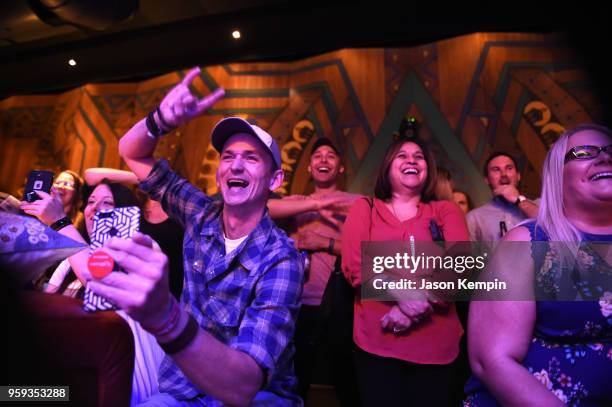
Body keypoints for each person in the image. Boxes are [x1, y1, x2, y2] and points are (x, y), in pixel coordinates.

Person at [90, 67, 303, 406]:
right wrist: (159, 120)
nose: (235, 166)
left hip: (256, 397)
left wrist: (167, 318)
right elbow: (131, 152)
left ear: (275, 180)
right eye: (228, 157)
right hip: (182, 388)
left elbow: (242, 386)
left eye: (251, 158)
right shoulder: (199, 213)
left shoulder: (281, 258)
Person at [465, 123, 612, 406]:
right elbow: (491, 358)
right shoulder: (523, 237)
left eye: (609, 150)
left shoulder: (527, 204)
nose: (604, 157)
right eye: (584, 152)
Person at [341, 135, 469, 406]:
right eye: (402, 155)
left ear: (428, 169)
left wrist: (408, 308)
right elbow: (355, 266)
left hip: (437, 347)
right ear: (387, 166)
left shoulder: (446, 210)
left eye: (419, 156)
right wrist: (404, 293)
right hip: (376, 345)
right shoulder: (366, 208)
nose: (411, 159)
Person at [21, 179, 166, 405]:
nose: (95, 208)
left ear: (126, 214)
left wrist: (59, 221)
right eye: (90, 201)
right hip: (68, 381)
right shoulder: (68, 262)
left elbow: (99, 280)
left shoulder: (143, 247)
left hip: (114, 386)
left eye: (107, 202)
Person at [268, 137, 361, 405]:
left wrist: (326, 243)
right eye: (317, 156)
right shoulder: (295, 202)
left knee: (346, 379)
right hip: (298, 303)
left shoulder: (357, 203)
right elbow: (264, 208)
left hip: (342, 301)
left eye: (330, 155)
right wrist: (314, 205)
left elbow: (368, 253)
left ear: (341, 168)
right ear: (309, 167)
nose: (323, 160)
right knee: (297, 379)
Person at [84, 168, 185, 300]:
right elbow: (91, 175)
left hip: (168, 288)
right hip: (132, 275)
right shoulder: (136, 205)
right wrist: (142, 177)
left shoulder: (183, 211)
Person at [466, 152, 539, 242]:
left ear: (518, 176)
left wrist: (519, 200)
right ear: (487, 180)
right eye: (496, 170)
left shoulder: (540, 205)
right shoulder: (474, 218)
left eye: (509, 168)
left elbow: (552, 227)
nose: (504, 174)